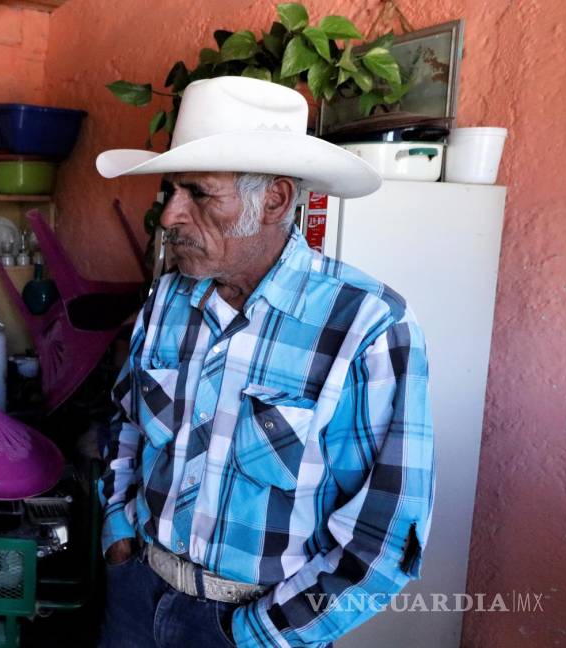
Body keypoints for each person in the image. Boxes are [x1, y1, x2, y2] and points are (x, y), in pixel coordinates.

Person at [94, 76, 435, 647]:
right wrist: (118, 532)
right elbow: (127, 423)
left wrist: (260, 633)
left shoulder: (366, 327)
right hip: (136, 594)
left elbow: (386, 532)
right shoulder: (168, 300)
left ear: (274, 200)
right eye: (170, 191)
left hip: (253, 626)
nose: (171, 215)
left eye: (199, 193)